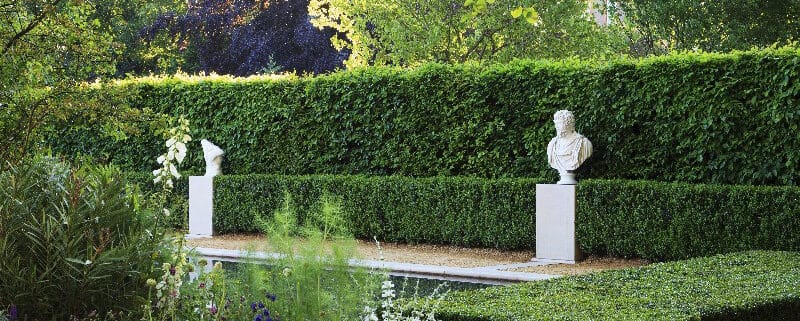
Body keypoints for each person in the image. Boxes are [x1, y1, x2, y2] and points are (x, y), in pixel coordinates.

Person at [547, 110, 592, 184]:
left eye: (559, 123)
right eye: (556, 123)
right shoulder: (552, 144)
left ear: (568, 124)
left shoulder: (584, 143)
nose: (556, 126)